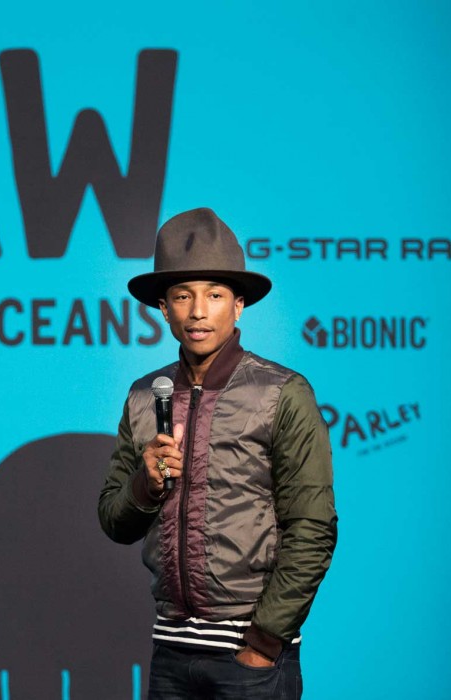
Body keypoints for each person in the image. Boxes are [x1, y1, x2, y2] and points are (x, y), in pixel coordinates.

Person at [98, 208, 337, 699]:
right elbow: (114, 521)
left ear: (239, 305)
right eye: (182, 296)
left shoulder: (282, 393)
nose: (198, 311)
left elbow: (313, 526)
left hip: (251, 659)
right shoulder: (143, 397)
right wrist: (145, 483)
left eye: (214, 294)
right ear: (164, 309)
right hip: (170, 654)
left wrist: (265, 642)